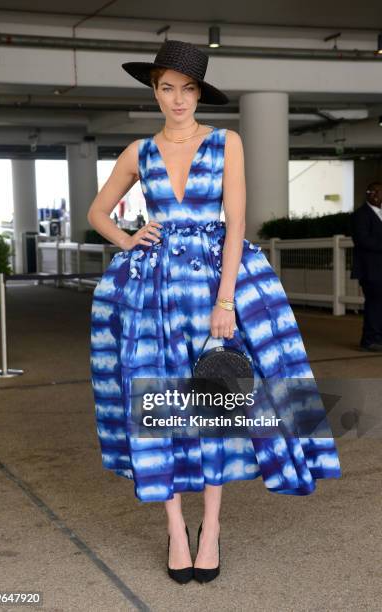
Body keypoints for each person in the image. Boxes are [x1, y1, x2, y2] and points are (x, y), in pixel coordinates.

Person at [88, 39, 342, 584]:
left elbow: (236, 225)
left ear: (199, 93)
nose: (177, 100)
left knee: (215, 404)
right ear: (154, 91)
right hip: (155, 293)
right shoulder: (139, 152)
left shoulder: (227, 142)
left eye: (187, 89)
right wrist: (130, 239)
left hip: (214, 285)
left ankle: (213, 527)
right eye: (166, 88)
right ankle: (176, 530)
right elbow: (96, 212)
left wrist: (226, 299)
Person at [350, 182, 382, 352]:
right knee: (375, 303)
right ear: (369, 194)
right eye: (375, 191)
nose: (378, 195)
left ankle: (378, 338)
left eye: (380, 192)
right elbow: (362, 240)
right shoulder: (360, 215)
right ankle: (369, 340)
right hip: (370, 269)